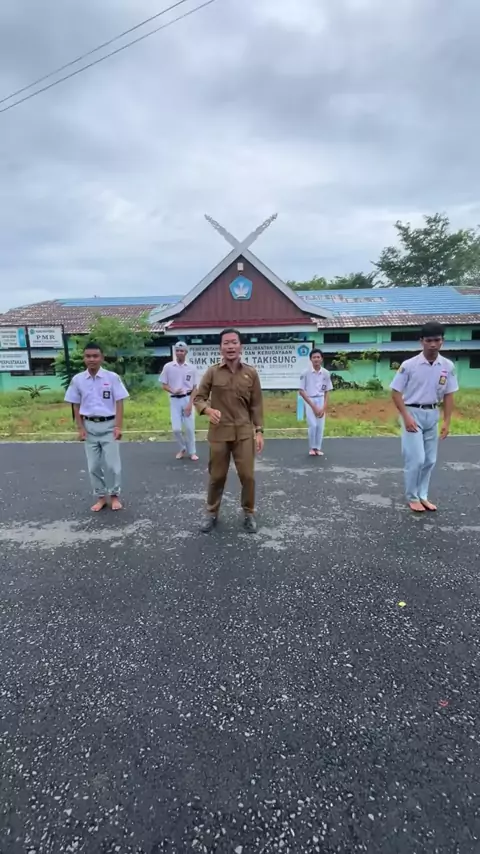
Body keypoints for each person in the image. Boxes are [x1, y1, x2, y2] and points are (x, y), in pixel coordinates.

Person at [193, 328, 264, 533]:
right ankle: (211, 513)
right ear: (220, 348)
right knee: (217, 476)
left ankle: (249, 513)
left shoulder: (251, 373)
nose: (230, 346)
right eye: (226, 343)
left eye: (234, 342)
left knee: (248, 476)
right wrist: (208, 410)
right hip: (219, 433)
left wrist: (259, 431)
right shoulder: (212, 372)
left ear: (241, 346)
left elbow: (256, 404)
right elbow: (199, 398)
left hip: (244, 433)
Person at [390, 321, 459, 513]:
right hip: (412, 413)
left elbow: (449, 394)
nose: (433, 344)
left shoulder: (447, 366)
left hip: (433, 413)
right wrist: (406, 417)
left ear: (442, 341)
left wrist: (447, 421)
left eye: (437, 340)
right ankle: (412, 497)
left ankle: (423, 495)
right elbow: (395, 392)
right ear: (421, 341)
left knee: (430, 460)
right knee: (416, 459)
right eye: (429, 340)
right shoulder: (409, 365)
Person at [64, 342, 129, 512]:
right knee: (93, 466)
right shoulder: (78, 380)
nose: (91, 359)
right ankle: (101, 497)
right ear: (84, 358)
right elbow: (76, 405)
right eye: (88, 356)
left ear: (102, 358)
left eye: (95, 356)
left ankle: (114, 496)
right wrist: (80, 428)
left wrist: (118, 427)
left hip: (109, 426)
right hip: (89, 427)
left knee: (113, 465)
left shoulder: (112, 377)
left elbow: (119, 402)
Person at [160, 341, 199, 461]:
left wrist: (190, 404)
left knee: (189, 428)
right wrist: (173, 390)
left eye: (182, 350)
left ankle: (192, 452)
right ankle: (182, 448)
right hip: (174, 400)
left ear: (186, 352)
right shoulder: (168, 367)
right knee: (176, 429)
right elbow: (164, 385)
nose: (179, 353)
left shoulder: (191, 368)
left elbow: (195, 388)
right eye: (177, 350)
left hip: (187, 399)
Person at [299, 348, 333, 456]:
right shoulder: (305, 373)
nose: (316, 359)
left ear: (321, 359)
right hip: (310, 399)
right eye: (314, 357)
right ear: (310, 359)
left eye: (318, 357)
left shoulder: (326, 373)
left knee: (320, 426)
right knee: (313, 425)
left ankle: (318, 448)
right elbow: (301, 391)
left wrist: (324, 407)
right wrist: (313, 406)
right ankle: (312, 447)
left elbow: (327, 391)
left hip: (321, 399)